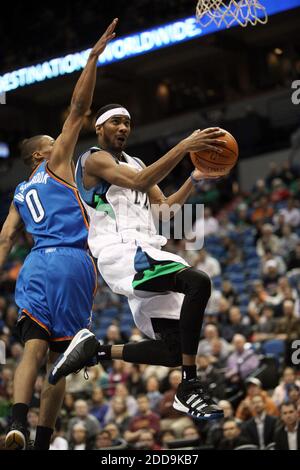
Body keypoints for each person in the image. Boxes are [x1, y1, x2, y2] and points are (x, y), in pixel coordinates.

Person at [49, 104, 228, 420]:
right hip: (122, 253)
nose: (123, 128)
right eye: (116, 121)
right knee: (198, 281)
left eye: (128, 123)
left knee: (174, 350)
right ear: (99, 127)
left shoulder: (136, 163)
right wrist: (184, 146)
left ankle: (98, 351)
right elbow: (141, 181)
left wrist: (193, 178)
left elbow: (164, 212)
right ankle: (189, 387)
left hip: (147, 252)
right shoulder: (92, 159)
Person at [0, 19, 118, 450]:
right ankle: (43, 441)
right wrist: (92, 59)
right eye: (53, 144)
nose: (62, 145)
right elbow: (79, 109)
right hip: (70, 259)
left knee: (31, 347)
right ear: (39, 154)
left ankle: (14, 423)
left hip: (34, 265)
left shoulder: (18, 192)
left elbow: (5, 240)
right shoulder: (55, 164)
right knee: (61, 360)